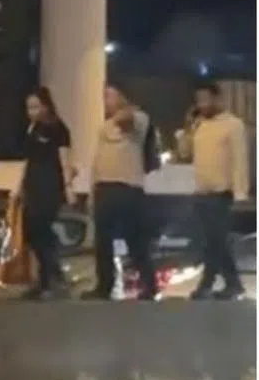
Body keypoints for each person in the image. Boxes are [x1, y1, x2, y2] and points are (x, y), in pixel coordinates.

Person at [176, 81, 250, 300]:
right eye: (198, 100)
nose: (202, 104)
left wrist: (240, 193)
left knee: (215, 240)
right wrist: (186, 130)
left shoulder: (233, 124)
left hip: (221, 193)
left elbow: (239, 160)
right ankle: (233, 284)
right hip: (201, 192)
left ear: (218, 99)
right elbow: (185, 153)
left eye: (206, 99)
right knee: (212, 241)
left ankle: (207, 284)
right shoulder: (199, 125)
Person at [86, 83, 159, 301]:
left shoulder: (139, 119)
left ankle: (149, 284)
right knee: (102, 241)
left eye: (110, 96)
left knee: (135, 239)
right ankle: (104, 285)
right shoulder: (104, 126)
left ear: (123, 97)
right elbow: (97, 159)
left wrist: (125, 107)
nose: (105, 101)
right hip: (105, 186)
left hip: (128, 188)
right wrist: (93, 187)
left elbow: (127, 120)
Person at [15, 87, 74, 299]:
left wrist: (68, 187)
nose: (31, 111)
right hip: (33, 185)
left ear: (46, 106)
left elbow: (65, 159)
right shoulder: (32, 129)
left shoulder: (58, 128)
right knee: (31, 232)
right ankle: (47, 277)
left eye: (35, 107)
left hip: (50, 185)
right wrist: (19, 187)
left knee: (42, 229)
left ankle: (50, 280)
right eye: (29, 108)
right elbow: (27, 160)